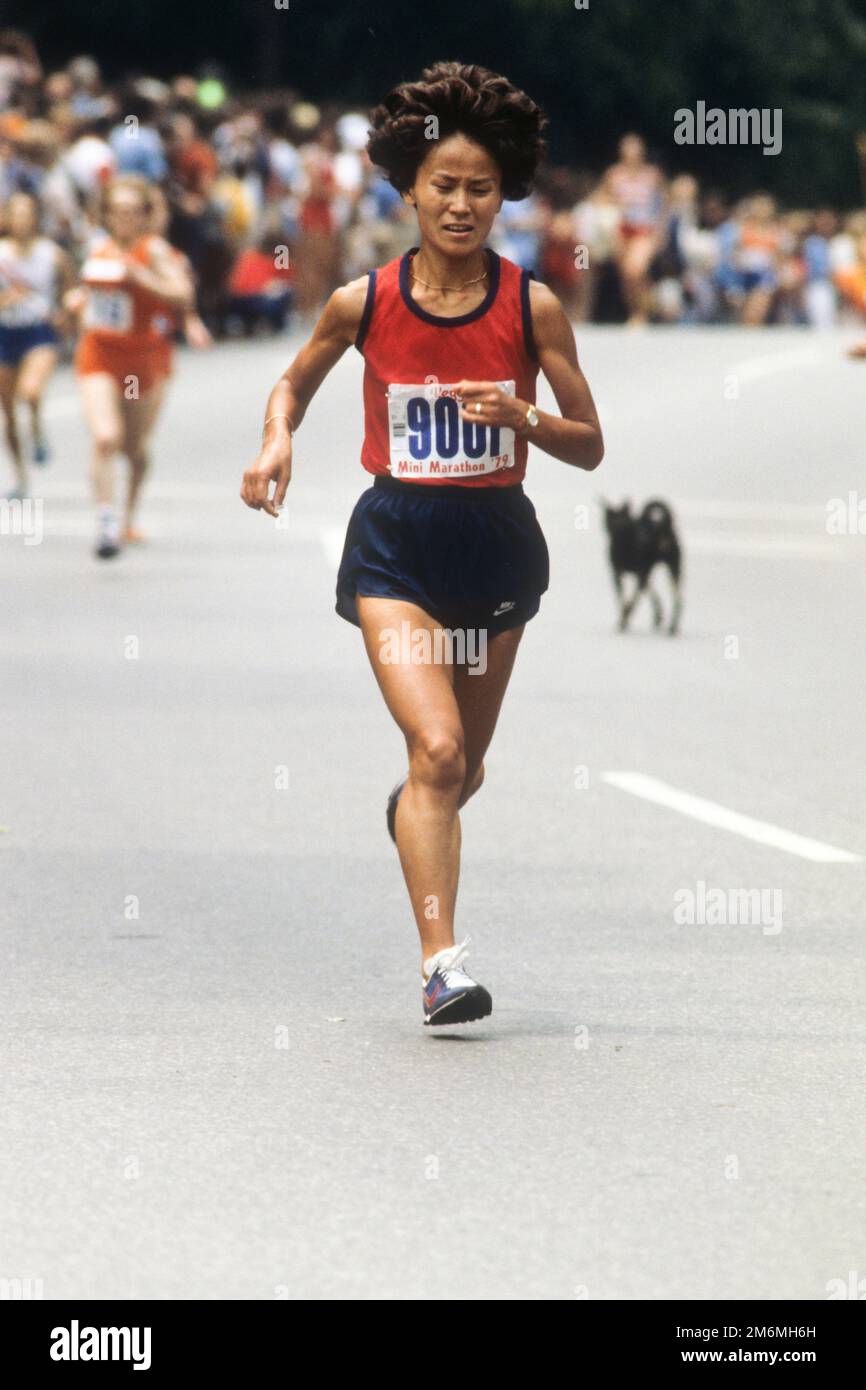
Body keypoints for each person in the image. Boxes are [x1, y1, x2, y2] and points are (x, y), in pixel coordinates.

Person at [240, 62, 604, 1026]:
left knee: (458, 773)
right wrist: (278, 438)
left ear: (504, 194)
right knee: (438, 749)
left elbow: (591, 445)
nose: (460, 203)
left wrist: (522, 416)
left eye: (479, 187)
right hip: (395, 548)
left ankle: (415, 815)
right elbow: (294, 383)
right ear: (409, 189)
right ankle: (443, 963)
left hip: (494, 552)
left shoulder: (533, 308)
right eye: (443, 185)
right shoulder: (363, 302)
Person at [66, 174, 189, 556]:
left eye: (132, 212)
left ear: (144, 215)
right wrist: (75, 302)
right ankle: (105, 519)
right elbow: (87, 295)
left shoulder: (153, 251)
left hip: (141, 361)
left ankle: (129, 515)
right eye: (117, 211)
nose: (124, 219)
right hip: (99, 353)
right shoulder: (96, 248)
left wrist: (140, 277)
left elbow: (182, 294)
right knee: (106, 437)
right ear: (106, 214)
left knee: (134, 448)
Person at [0, 191, 73, 497]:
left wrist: (65, 314)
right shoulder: (2, 254)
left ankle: (37, 429)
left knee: (29, 392)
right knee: (7, 410)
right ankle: (19, 475)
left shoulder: (51, 254)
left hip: (39, 331)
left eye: (27, 213)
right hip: (6, 332)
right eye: (15, 213)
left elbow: (71, 290)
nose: (22, 220)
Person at [602, 133, 665, 325]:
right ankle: (637, 312)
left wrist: (660, 233)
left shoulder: (652, 175)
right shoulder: (614, 175)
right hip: (622, 230)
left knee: (635, 269)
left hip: (645, 230)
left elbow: (663, 206)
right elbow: (605, 200)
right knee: (626, 276)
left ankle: (644, 312)